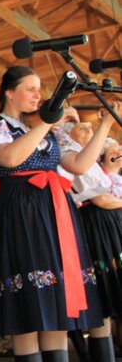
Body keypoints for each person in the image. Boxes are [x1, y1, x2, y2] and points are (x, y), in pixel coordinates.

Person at [0, 65, 122, 362]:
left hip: (54, 209)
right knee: (27, 300)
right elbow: (11, 157)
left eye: (39, 88)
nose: (37, 94)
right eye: (30, 88)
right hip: (18, 209)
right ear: (10, 93)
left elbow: (78, 164)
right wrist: (47, 122)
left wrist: (105, 124)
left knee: (56, 297)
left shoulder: (48, 130)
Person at [68, 124, 122, 361]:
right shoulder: (87, 166)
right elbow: (101, 199)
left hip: (113, 223)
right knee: (105, 285)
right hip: (98, 225)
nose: (119, 153)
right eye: (114, 149)